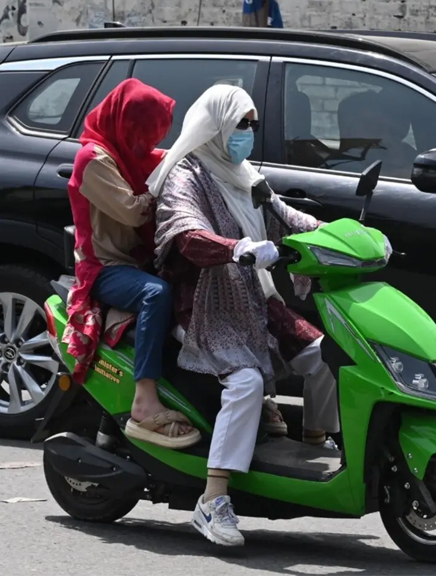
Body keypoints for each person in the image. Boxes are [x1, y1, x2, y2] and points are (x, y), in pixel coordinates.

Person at [148, 83, 343, 547]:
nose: (248, 134)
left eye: (252, 126)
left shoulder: (245, 175)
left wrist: (343, 237)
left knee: (328, 355)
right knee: (246, 383)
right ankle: (212, 501)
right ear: (217, 126)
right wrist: (237, 248)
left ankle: (313, 447)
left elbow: (287, 217)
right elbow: (186, 233)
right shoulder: (186, 175)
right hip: (204, 304)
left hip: (254, 298)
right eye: (241, 125)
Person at [64, 78, 201, 450]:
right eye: (142, 133)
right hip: (104, 268)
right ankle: (144, 399)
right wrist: (163, 191)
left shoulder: (129, 155)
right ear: (125, 124)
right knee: (156, 294)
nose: (148, 144)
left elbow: (164, 162)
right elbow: (131, 212)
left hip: (137, 260)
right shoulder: (94, 159)